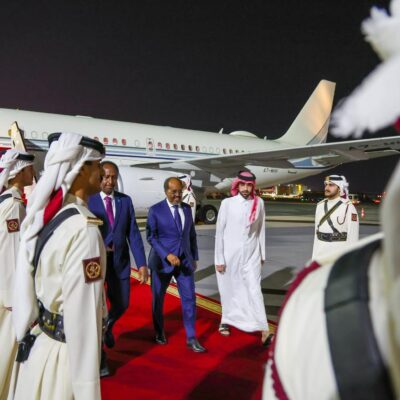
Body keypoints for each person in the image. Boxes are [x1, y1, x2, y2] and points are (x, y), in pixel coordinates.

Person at [12, 132, 107, 400]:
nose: (102, 172)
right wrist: (88, 390)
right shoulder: (84, 230)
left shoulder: (54, 219)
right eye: (98, 164)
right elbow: (83, 319)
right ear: (81, 168)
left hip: (42, 349)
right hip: (65, 363)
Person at [88, 161, 148, 350]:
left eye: (113, 177)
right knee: (95, 304)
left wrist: (142, 264)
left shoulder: (125, 201)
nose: (110, 181)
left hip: (120, 262)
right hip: (96, 262)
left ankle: (107, 325)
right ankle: (97, 341)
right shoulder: (89, 200)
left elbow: (133, 234)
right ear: (99, 177)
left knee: (122, 303)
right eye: (106, 177)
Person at [146, 177, 206, 352]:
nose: (178, 195)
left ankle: (191, 337)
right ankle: (159, 331)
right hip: (161, 263)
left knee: (189, 299)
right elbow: (151, 237)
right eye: (174, 192)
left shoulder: (187, 209)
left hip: (185, 262)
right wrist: (167, 255)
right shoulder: (155, 210)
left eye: (180, 191)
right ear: (166, 191)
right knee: (158, 298)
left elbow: (191, 235)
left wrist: (194, 257)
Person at [214, 170, 273, 345]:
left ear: (253, 186)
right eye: (243, 184)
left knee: (255, 289)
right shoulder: (227, 203)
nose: (246, 188)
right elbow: (220, 232)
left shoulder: (259, 202)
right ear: (237, 185)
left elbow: (261, 229)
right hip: (229, 255)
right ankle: (225, 320)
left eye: (249, 185)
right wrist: (219, 259)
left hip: (252, 255)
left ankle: (264, 330)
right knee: (229, 289)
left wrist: (262, 254)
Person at [0, 150, 35, 399]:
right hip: (7, 297)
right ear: (20, 172)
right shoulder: (13, 205)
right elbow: (11, 252)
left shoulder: (6, 200)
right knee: (7, 351)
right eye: (30, 168)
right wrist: (15, 299)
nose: (33, 172)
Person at [312, 175, 359, 260]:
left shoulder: (348, 207)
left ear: (339, 188)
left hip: (338, 255)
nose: (327, 188)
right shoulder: (319, 206)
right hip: (320, 254)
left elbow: (353, 237)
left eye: (331, 185)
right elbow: (316, 235)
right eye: (326, 184)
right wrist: (314, 258)